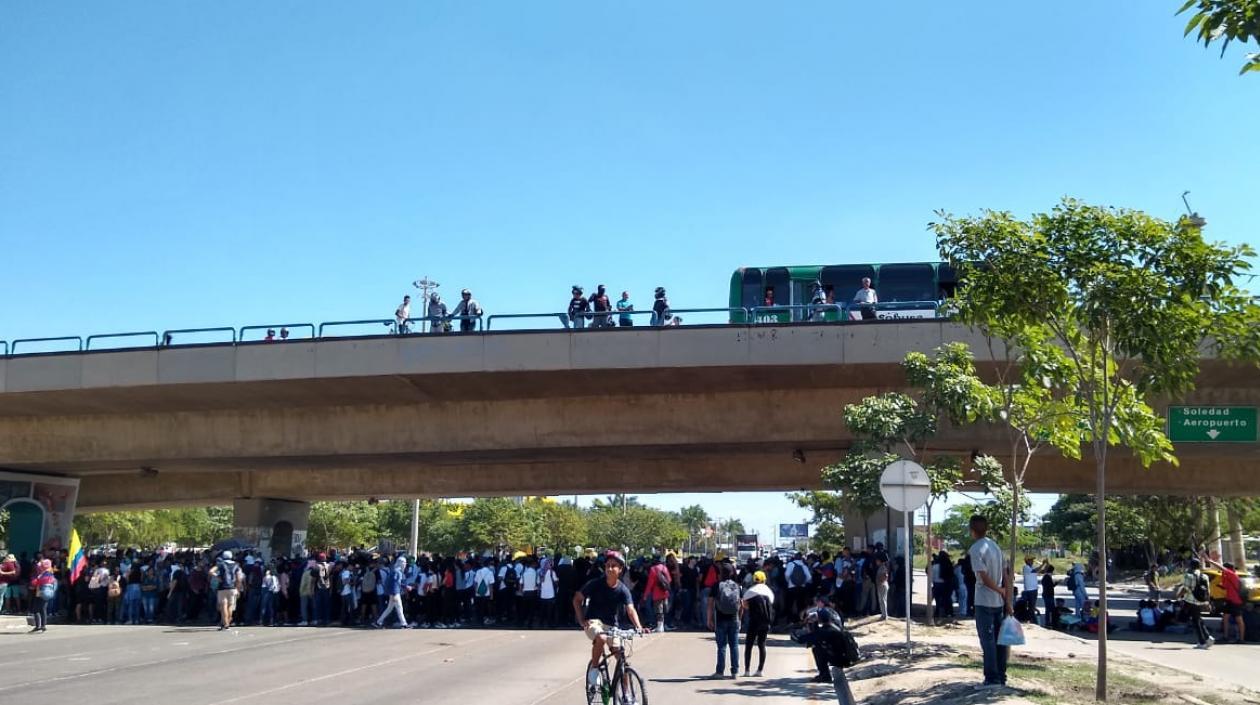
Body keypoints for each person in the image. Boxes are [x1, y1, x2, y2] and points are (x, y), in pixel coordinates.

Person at [574, 551, 645, 699]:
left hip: (613, 626)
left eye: (614, 566)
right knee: (601, 637)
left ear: (620, 569)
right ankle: (594, 668)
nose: (610, 568)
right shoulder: (595, 584)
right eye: (607, 566)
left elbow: (630, 609)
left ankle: (626, 694)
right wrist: (581, 620)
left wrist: (638, 627)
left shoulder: (622, 589)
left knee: (622, 661)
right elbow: (577, 599)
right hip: (594, 622)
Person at [968, 515, 1010, 688]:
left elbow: (983, 577)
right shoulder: (996, 547)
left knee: (988, 641)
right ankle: (1001, 675)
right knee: (999, 641)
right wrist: (1006, 595)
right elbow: (1006, 573)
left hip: (984, 601)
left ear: (971, 530)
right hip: (998, 603)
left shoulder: (976, 549)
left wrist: (1000, 590)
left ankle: (992, 678)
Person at [708, 561, 742, 679]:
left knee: (721, 646)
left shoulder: (717, 585)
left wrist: (710, 619)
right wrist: (740, 619)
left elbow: (710, 603)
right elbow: (741, 604)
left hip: (721, 619)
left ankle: (720, 672)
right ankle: (735, 672)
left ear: (721, 573)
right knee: (734, 646)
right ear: (732, 573)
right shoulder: (737, 586)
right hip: (734, 619)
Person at [1203, 554, 1245, 643]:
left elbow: (1221, 568)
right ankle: (1225, 637)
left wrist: (1210, 561)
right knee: (1225, 618)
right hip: (1229, 600)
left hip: (1236, 601)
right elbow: (1225, 587)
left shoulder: (1232, 574)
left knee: (1239, 620)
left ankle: (1241, 639)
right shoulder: (1226, 576)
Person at [1175, 558, 1213, 648]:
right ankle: (1207, 638)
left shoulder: (1188, 575)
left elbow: (1185, 588)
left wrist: (1178, 596)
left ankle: (1203, 642)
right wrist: (1207, 601)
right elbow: (1208, 590)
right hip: (1200, 601)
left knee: (1195, 621)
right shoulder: (1205, 576)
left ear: (1191, 565)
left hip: (1190, 601)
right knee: (1197, 619)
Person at [742, 570, 774, 677]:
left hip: (754, 621)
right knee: (762, 644)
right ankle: (760, 670)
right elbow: (772, 603)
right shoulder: (768, 591)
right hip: (765, 622)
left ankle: (747, 670)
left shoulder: (750, 591)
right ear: (764, 580)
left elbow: (745, 604)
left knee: (749, 645)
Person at [375, 556, 409, 628]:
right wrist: (395, 593)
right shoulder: (397, 572)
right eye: (404, 563)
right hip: (395, 593)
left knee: (389, 609)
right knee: (399, 608)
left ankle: (378, 622)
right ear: (401, 563)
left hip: (394, 592)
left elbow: (396, 583)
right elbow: (395, 583)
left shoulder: (395, 570)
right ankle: (404, 624)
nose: (405, 565)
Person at [212, 550, 242, 631]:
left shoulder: (221, 564)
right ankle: (227, 623)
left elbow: (211, 571)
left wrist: (218, 577)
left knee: (223, 606)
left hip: (222, 587)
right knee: (230, 606)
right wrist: (238, 589)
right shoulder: (236, 565)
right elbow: (239, 578)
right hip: (232, 587)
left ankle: (225, 624)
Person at [643, 556, 671, 633]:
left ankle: (659, 627)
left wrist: (646, 595)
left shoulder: (653, 569)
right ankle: (663, 626)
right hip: (665, 592)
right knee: (664, 609)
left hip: (657, 592)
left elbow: (650, 584)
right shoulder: (665, 568)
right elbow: (669, 579)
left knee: (658, 610)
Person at [28, 558, 56, 633]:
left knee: (36, 610)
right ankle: (43, 626)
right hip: (47, 594)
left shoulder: (43, 574)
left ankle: (38, 626)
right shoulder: (51, 573)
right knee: (43, 609)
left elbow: (34, 583)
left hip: (40, 593)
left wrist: (34, 580)